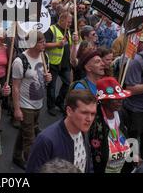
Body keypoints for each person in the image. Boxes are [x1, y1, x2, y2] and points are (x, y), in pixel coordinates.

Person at [26, 90, 97, 173]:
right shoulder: (46, 140)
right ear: (69, 111)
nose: (89, 119)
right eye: (84, 113)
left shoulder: (83, 130)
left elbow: (87, 163)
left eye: (93, 114)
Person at [12, 31, 52, 170]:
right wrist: (17, 109)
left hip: (38, 103)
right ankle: (33, 166)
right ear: (32, 43)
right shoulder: (19, 61)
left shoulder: (45, 57)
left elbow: (42, 79)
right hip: (25, 104)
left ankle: (16, 156)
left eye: (44, 41)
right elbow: (15, 87)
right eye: (41, 42)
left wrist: (48, 79)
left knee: (25, 130)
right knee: (30, 138)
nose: (44, 44)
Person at [89, 77, 133, 173]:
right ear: (104, 100)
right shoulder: (93, 120)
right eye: (115, 99)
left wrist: (134, 156)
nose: (120, 101)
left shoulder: (122, 114)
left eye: (121, 98)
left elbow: (130, 137)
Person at [45, 12, 78, 115]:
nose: (70, 24)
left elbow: (70, 47)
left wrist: (74, 42)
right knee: (52, 87)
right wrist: (57, 44)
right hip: (53, 63)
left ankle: (59, 101)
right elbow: (44, 44)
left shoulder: (67, 31)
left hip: (65, 63)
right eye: (68, 22)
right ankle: (51, 106)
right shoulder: (51, 29)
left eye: (71, 22)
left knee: (68, 83)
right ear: (62, 19)